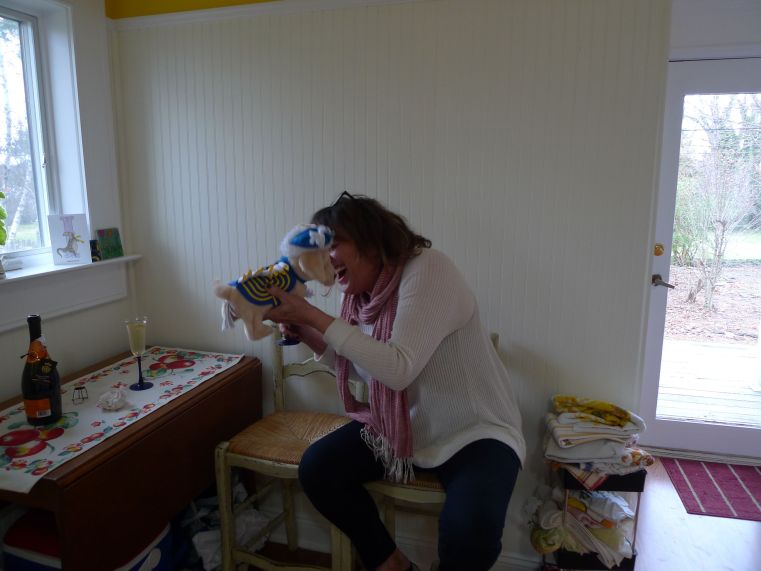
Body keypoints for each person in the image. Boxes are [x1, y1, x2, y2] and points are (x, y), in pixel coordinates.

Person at [264, 192, 525, 571]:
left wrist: (313, 316)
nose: (325, 259)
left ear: (370, 238)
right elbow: (365, 368)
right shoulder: (360, 299)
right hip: (405, 428)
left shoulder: (428, 268)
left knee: (471, 530)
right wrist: (308, 332)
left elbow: (398, 369)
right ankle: (393, 564)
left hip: (476, 431)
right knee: (319, 468)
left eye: (333, 245)